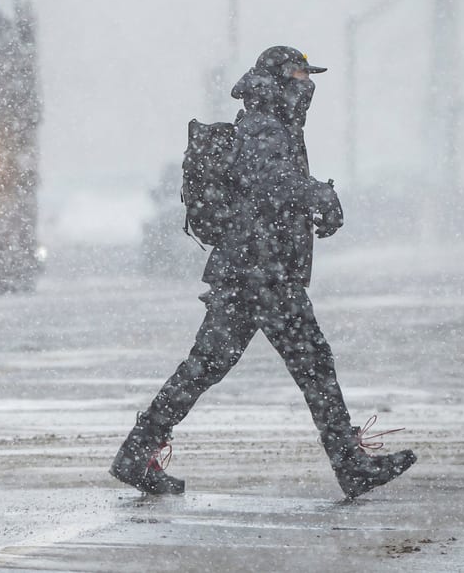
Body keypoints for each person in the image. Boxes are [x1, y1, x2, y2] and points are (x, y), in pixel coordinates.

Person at [110, 45, 416, 499]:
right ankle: (350, 465)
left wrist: (307, 202)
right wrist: (320, 196)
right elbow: (270, 181)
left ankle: (138, 452)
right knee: (313, 366)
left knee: (208, 365)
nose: (306, 85)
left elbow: (265, 189)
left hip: (247, 269)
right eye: (298, 75)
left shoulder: (270, 124)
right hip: (262, 271)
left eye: (309, 77)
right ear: (278, 81)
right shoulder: (265, 127)